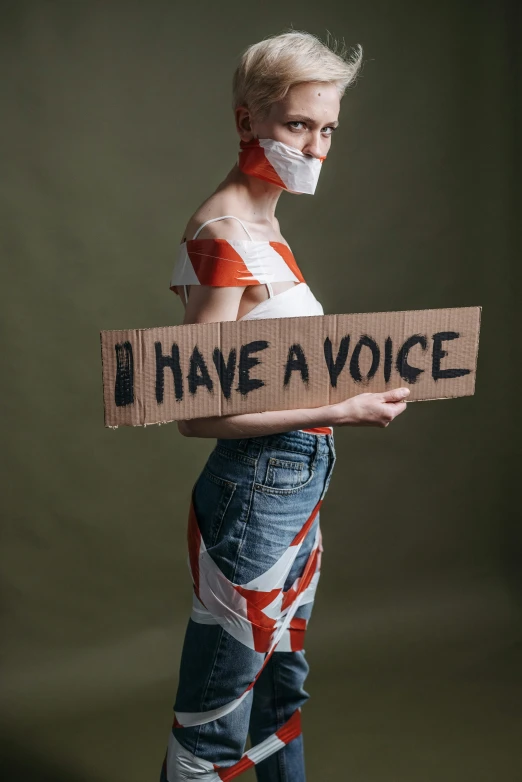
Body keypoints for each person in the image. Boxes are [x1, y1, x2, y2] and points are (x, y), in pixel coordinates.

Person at [160, 29, 410, 782]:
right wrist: (344, 408)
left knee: (280, 695)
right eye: (299, 124)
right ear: (248, 121)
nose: (317, 145)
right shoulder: (224, 233)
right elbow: (194, 410)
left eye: (327, 128)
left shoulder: (268, 230)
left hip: (298, 489)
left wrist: (340, 402)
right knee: (216, 716)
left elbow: (274, 373)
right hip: (253, 495)